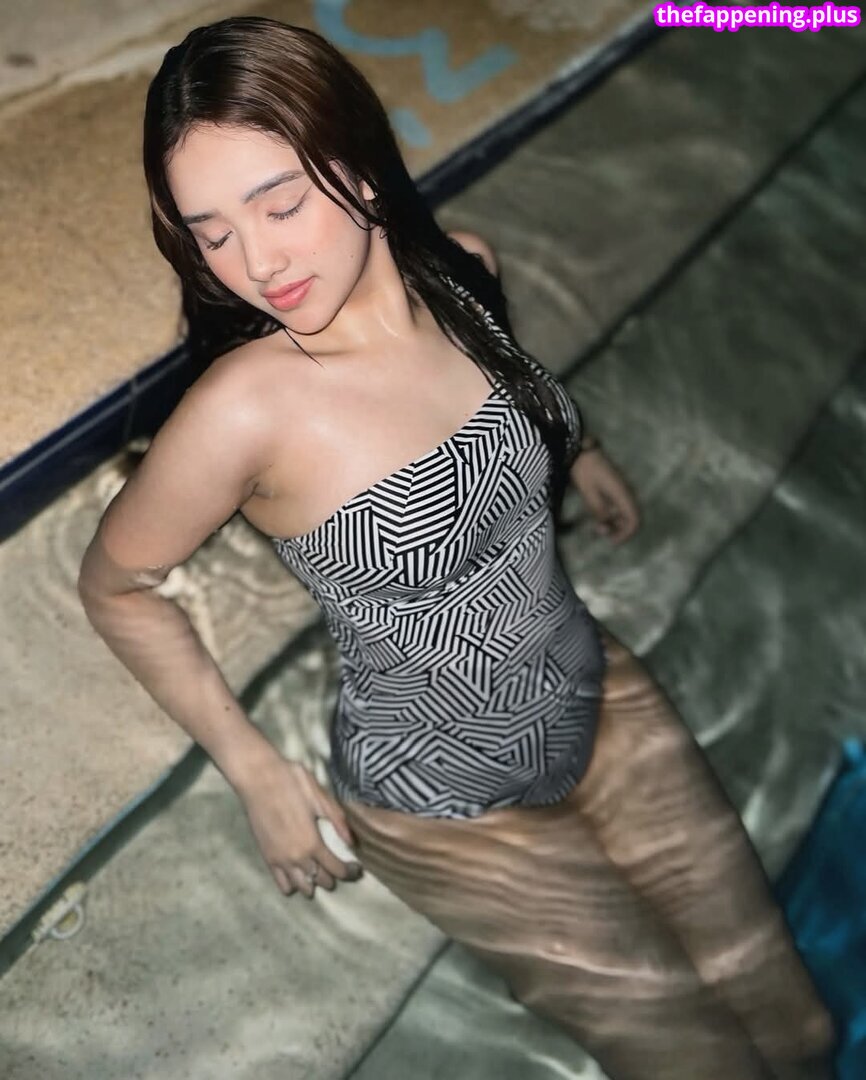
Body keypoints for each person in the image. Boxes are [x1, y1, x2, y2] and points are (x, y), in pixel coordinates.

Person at [77, 16, 835, 1080]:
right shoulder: (245, 412)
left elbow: (506, 377)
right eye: (212, 234)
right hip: (443, 804)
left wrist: (574, 448)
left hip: (601, 701)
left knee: (799, 1035)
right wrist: (251, 767)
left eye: (280, 205)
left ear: (361, 170)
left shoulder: (463, 273)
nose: (256, 263)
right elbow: (117, 586)